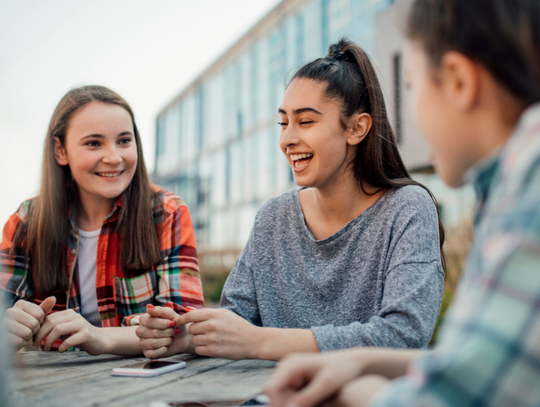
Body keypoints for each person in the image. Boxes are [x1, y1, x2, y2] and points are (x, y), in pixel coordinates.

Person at [264, 0, 540, 406]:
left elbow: (450, 396)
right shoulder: (507, 186)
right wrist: (356, 361)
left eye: (411, 84)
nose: (288, 138)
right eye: (283, 122)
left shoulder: (528, 188)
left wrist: (351, 390)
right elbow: (466, 360)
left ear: (459, 82)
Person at [136, 39, 445, 361]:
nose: (287, 139)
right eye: (283, 123)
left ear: (357, 128)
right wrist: (186, 335)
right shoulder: (274, 216)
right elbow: (236, 320)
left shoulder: (408, 207)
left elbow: (402, 337)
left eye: (306, 121)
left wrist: (259, 342)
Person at [1, 85, 204, 356]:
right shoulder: (27, 221)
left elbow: (186, 327)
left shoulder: (167, 212)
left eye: (124, 140)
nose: (114, 157)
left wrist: (100, 337)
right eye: (94, 143)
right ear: (60, 151)